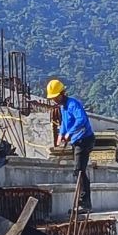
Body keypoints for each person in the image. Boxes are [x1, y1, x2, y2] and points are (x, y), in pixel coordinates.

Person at [46, 79, 95, 213]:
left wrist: (70, 133)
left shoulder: (73, 104)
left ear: (62, 93)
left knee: (79, 170)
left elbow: (81, 120)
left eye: (55, 97)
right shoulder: (62, 107)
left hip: (84, 140)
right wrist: (61, 134)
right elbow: (64, 124)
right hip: (76, 141)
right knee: (78, 170)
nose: (54, 100)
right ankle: (83, 202)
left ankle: (84, 204)